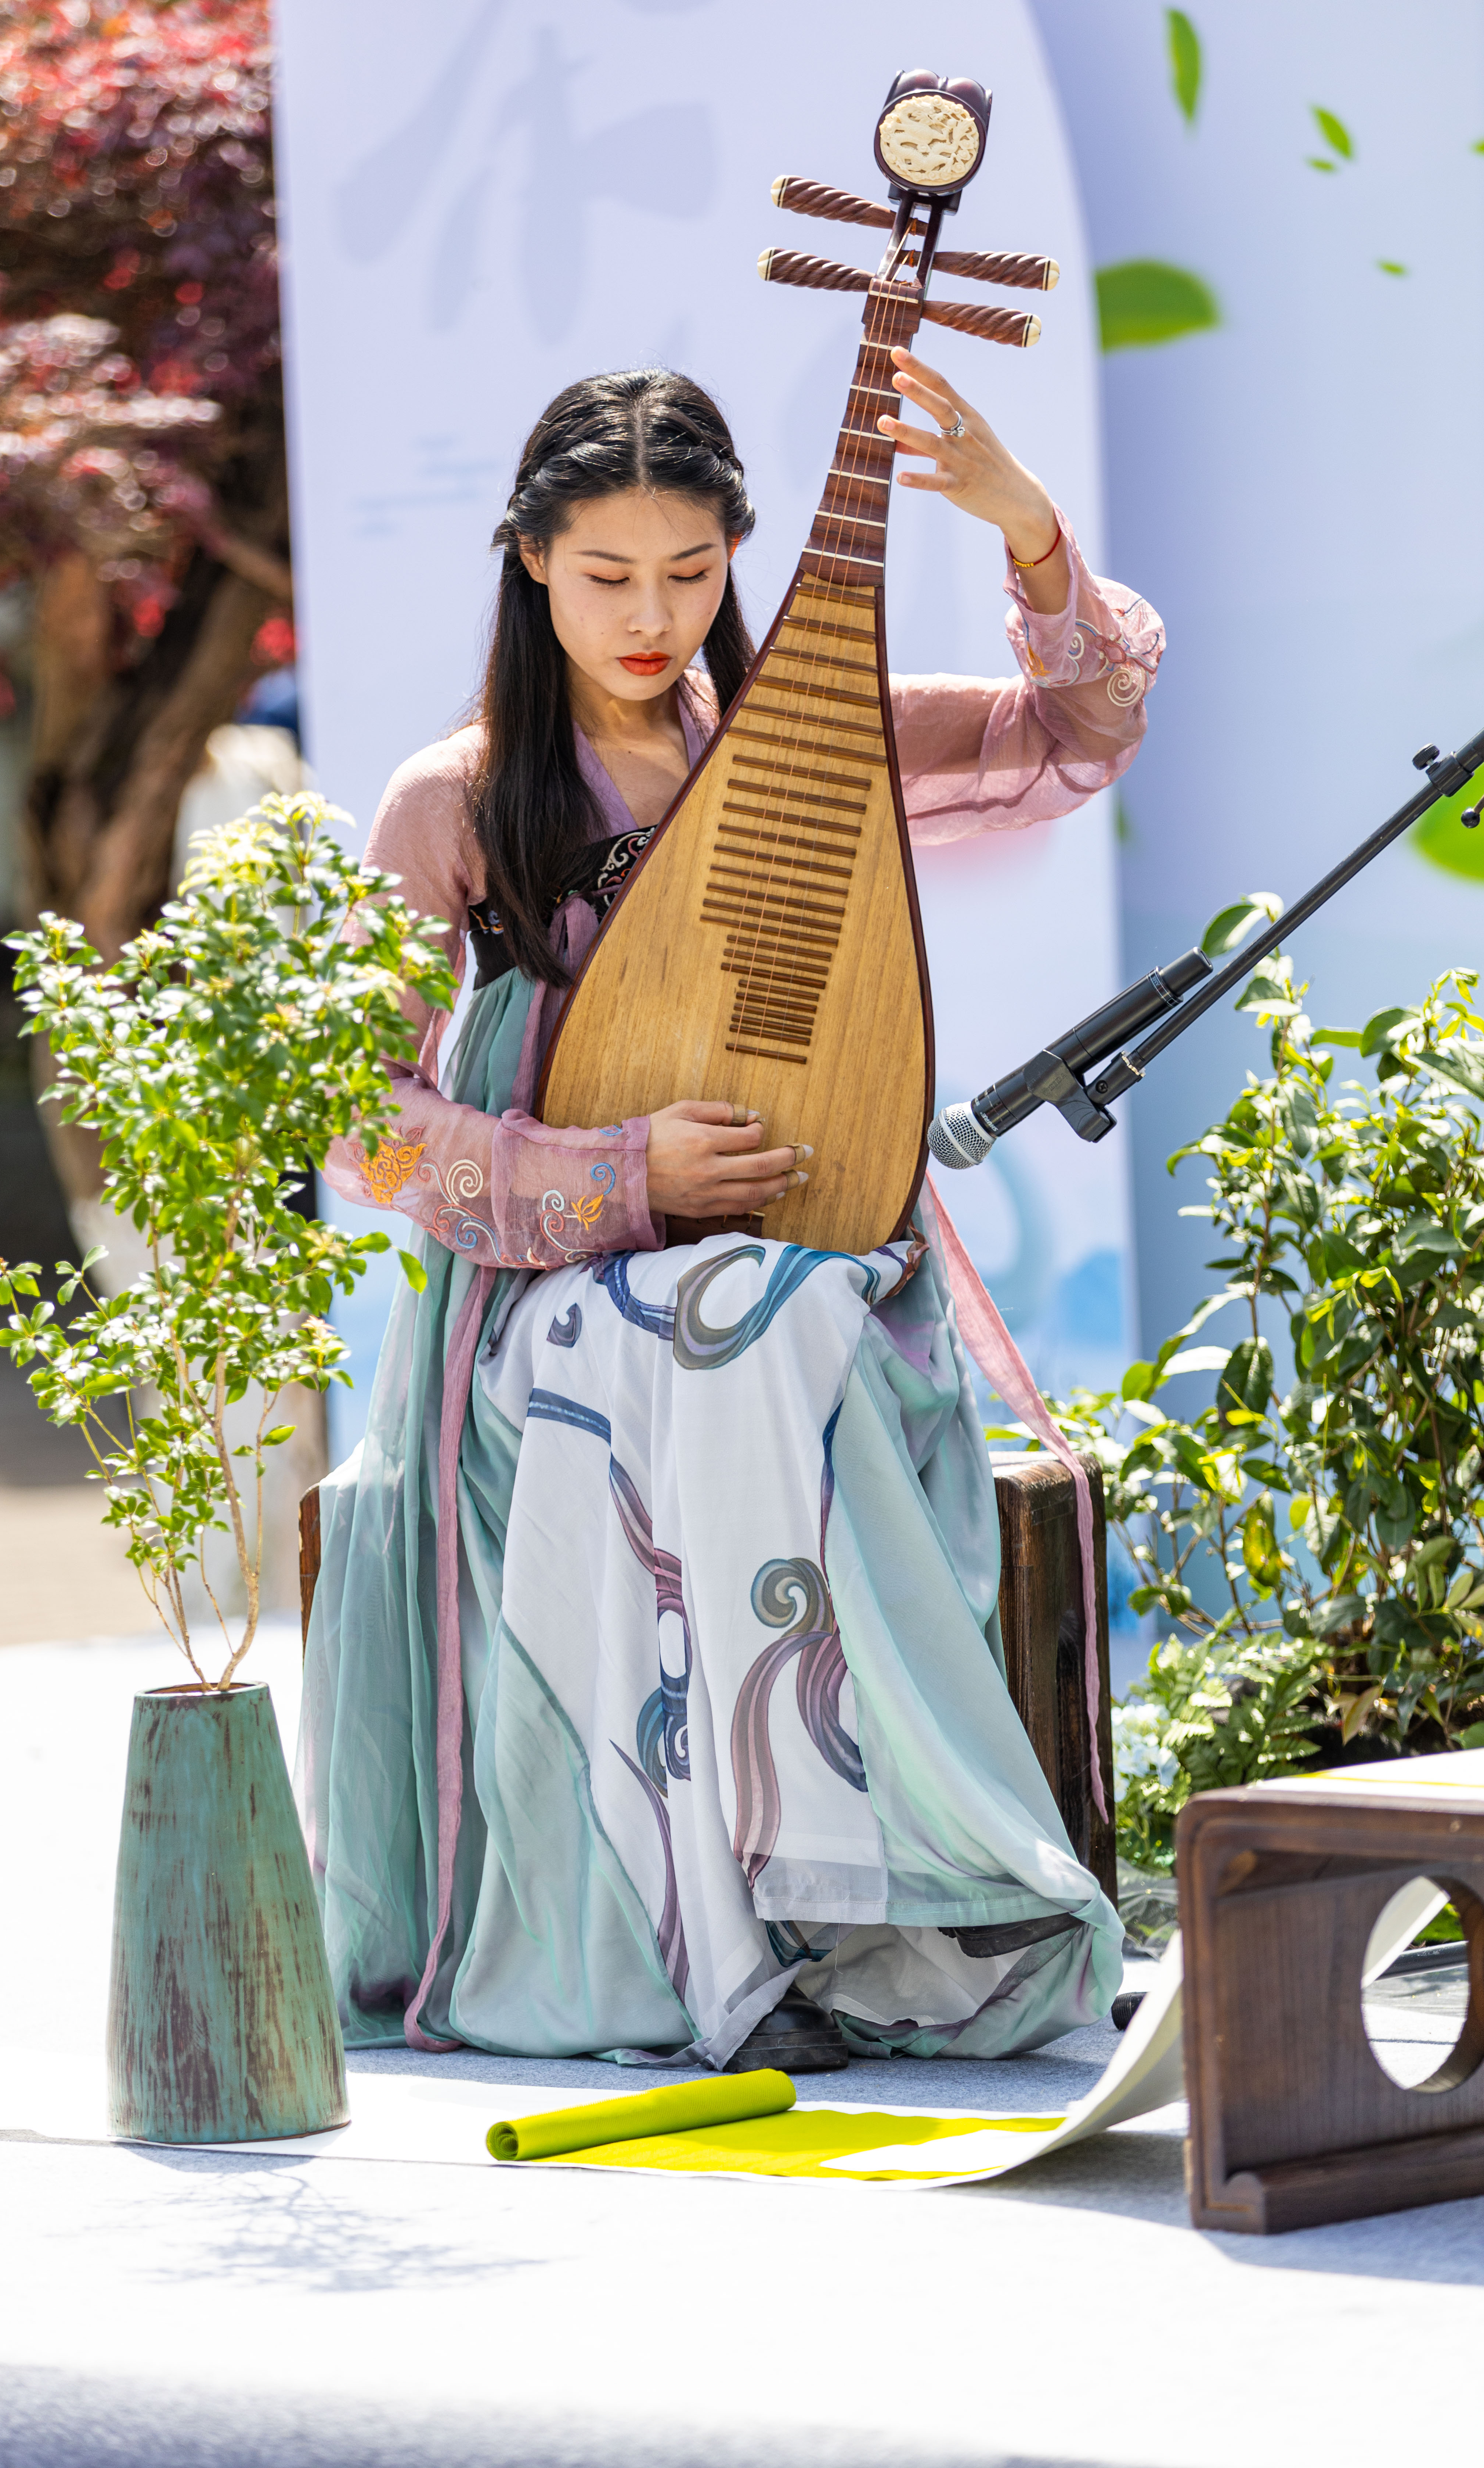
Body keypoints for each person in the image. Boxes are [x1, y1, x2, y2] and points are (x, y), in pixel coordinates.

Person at [301, 352, 1163, 2070]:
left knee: (772, 1321)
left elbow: (1076, 738)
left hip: (798, 1277)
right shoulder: (454, 799)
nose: (650, 616)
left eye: (690, 575)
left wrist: (1028, 533)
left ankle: (854, 1907)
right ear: (529, 561)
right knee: (733, 1329)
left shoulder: (809, 753)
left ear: (740, 559)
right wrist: (618, 1181)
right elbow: (362, 1127)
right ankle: (716, 1949)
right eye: (607, 576)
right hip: (545, 1322)